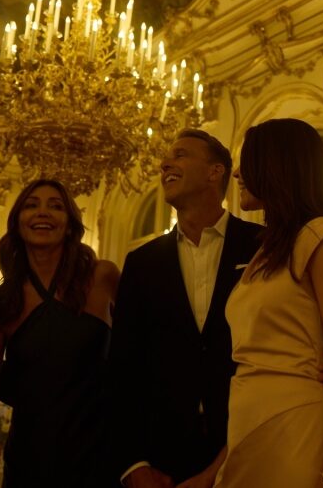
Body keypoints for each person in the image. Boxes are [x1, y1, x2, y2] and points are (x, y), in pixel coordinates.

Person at [215, 118, 323, 488]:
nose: (238, 173)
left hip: (303, 435)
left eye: (249, 161)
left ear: (278, 165)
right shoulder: (271, 250)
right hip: (254, 433)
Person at [0, 179, 120, 486]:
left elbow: (139, 361)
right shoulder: (0, 305)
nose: (43, 212)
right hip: (31, 464)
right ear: (17, 223)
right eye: (31, 205)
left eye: (56, 206)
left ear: (69, 225)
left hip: (101, 460)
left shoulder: (103, 277)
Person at [109, 129, 262, 488]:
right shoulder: (142, 262)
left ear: (215, 172)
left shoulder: (261, 247)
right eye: (166, 158)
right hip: (162, 460)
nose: (164, 164)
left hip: (249, 444)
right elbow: (123, 368)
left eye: (180, 155)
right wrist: (133, 463)